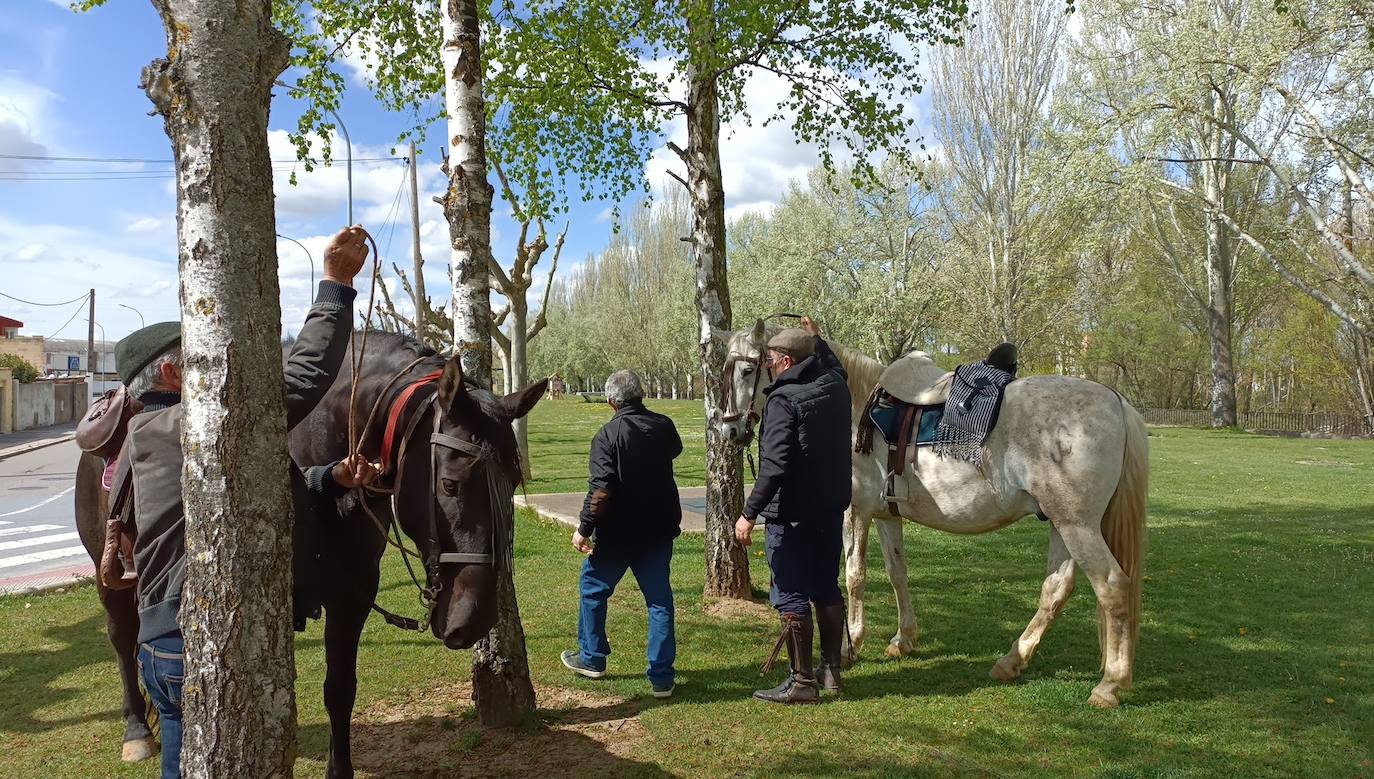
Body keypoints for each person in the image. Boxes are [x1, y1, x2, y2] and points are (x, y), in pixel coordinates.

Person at [113, 225, 381, 779]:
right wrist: (334, 283)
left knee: (182, 761)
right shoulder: (206, 424)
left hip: (158, 643)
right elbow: (307, 372)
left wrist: (330, 477)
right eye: (200, 358)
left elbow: (243, 495)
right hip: (203, 641)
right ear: (170, 373)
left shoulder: (146, 438)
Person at [734, 316, 852, 704]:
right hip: (830, 510)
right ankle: (831, 672)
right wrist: (818, 338)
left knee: (791, 594)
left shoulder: (783, 401)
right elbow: (833, 365)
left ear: (786, 362)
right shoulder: (835, 385)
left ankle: (802, 682)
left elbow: (775, 468)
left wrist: (749, 513)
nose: (767, 365)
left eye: (770, 359)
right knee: (825, 587)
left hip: (792, 515)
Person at [560, 369, 683, 698]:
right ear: (640, 394)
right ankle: (661, 677)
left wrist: (583, 529)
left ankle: (592, 658)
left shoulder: (607, 435)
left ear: (611, 401)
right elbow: (674, 451)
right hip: (657, 530)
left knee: (593, 589)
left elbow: (601, 491)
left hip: (618, 534)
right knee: (659, 602)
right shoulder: (664, 426)